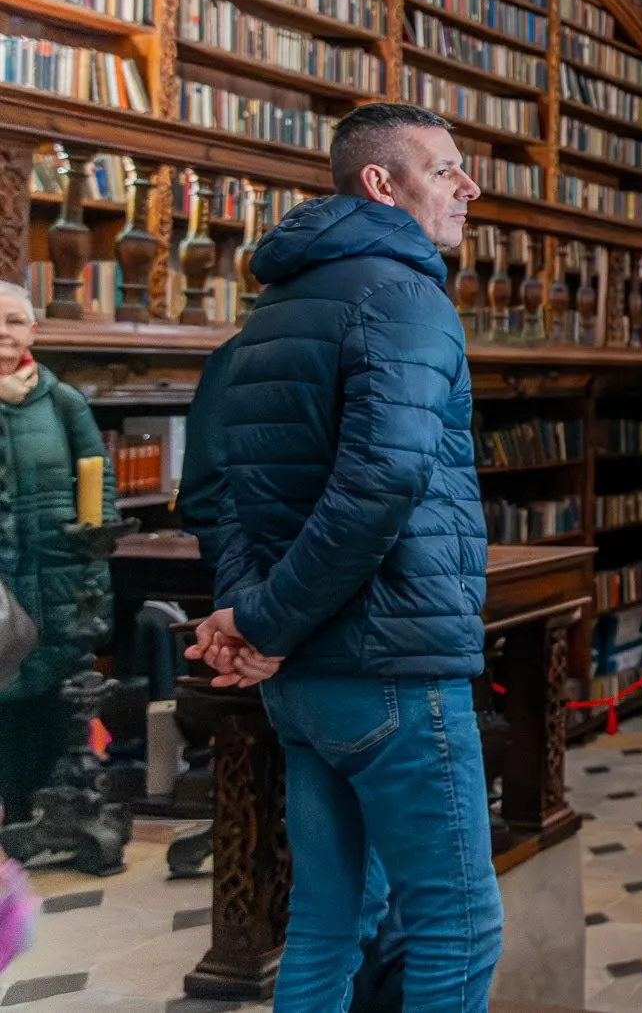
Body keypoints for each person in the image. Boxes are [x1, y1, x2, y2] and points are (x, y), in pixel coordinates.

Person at [185, 102, 494, 1013]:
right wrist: (264, 621)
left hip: (306, 678)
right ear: (381, 184)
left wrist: (251, 618)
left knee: (326, 920)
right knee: (459, 925)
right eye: (444, 169)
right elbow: (381, 485)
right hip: (390, 663)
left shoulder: (275, 306)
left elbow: (240, 488)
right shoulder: (405, 295)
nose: (468, 186)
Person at [0, 281, 117, 821]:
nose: (4, 333)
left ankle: (33, 814)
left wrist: (90, 552)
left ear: (32, 332)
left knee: (46, 692)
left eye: (15, 321)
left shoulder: (64, 402)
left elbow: (100, 486)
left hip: (54, 574)